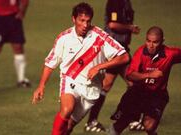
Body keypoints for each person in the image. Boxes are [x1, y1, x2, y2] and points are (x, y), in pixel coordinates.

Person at [31, 2, 130, 135]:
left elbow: (124, 57)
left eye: (88, 21)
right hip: (71, 80)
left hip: (92, 89)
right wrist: (41, 86)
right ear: (74, 19)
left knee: (68, 127)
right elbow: (50, 63)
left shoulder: (100, 36)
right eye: (81, 20)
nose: (85, 25)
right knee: (67, 109)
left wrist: (99, 67)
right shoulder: (63, 38)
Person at [109, 26, 181, 135]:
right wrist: (149, 75)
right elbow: (130, 75)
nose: (151, 45)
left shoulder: (170, 53)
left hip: (157, 95)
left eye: (155, 42)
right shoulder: (140, 52)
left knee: (149, 126)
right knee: (121, 124)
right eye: (148, 41)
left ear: (162, 41)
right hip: (137, 93)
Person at [84, 0, 141, 132]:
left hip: (120, 49)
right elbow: (112, 24)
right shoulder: (115, 2)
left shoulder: (125, 2)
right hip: (115, 51)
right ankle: (131, 119)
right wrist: (131, 28)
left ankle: (92, 121)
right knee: (134, 82)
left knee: (110, 85)